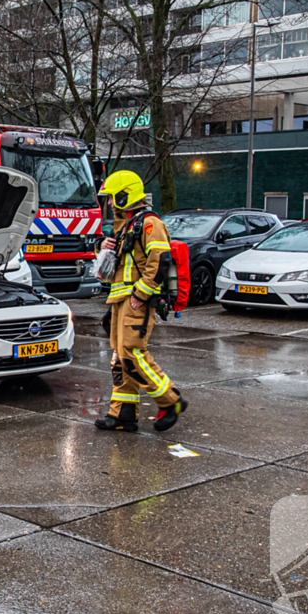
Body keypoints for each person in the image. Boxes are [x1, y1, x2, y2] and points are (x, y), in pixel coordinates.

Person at [93, 171, 188, 433]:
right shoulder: (126, 226)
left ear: (125, 196)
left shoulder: (150, 224)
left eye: (112, 197)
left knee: (132, 355)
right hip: (120, 300)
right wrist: (102, 245)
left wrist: (140, 295)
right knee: (120, 359)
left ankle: (171, 401)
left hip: (136, 301)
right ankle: (123, 414)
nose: (109, 203)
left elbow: (160, 262)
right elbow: (119, 264)